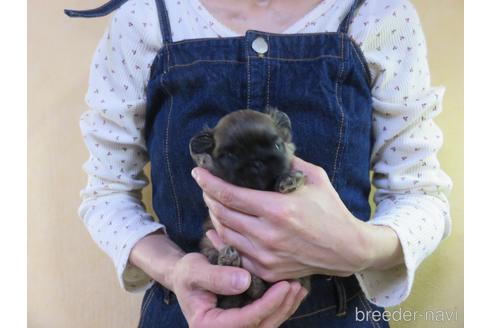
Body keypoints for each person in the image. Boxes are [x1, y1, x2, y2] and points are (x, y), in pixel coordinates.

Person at [65, 0, 452, 326]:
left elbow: (421, 194)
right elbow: (107, 194)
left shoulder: (379, 14)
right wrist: (175, 271)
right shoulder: (145, 17)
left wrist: (362, 248)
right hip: (190, 314)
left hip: (341, 312)